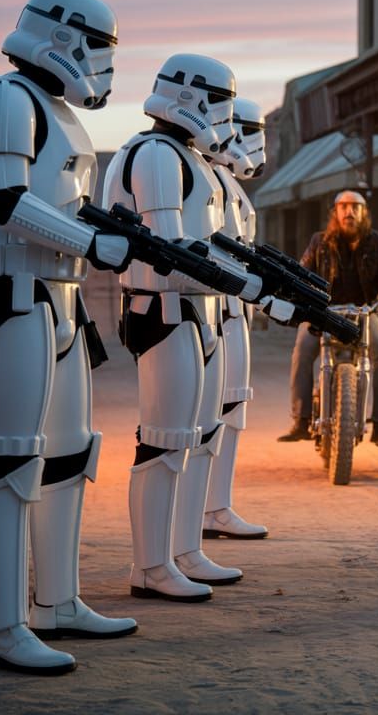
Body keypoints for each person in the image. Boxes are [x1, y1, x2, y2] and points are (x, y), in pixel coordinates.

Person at [0, 0, 137, 675]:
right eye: (101, 48)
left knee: (69, 457)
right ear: (66, 36)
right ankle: (1, 628)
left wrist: (93, 241)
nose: (105, 64)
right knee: (13, 458)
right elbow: (6, 199)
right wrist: (91, 243)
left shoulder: (56, 113)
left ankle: (56, 603)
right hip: (12, 293)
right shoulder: (6, 100)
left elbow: (64, 204)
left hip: (61, 298)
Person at [104, 54, 275, 601]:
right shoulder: (156, 154)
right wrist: (238, 283)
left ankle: (181, 551)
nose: (228, 117)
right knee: (164, 441)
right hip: (164, 311)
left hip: (196, 312)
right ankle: (150, 565)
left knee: (197, 437)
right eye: (223, 103)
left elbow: (206, 247)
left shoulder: (187, 158)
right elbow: (168, 252)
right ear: (195, 97)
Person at [278, 190, 378, 449]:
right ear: (335, 213)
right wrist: (291, 297)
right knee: (302, 352)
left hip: (364, 312)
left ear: (364, 213)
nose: (349, 212)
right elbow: (301, 272)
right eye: (344, 207)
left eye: (355, 207)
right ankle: (301, 421)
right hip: (323, 312)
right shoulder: (320, 242)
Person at [202, 98, 270, 540]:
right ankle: (208, 509)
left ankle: (216, 505)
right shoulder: (209, 176)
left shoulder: (227, 182)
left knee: (234, 407)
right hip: (215, 307)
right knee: (215, 411)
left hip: (234, 307)